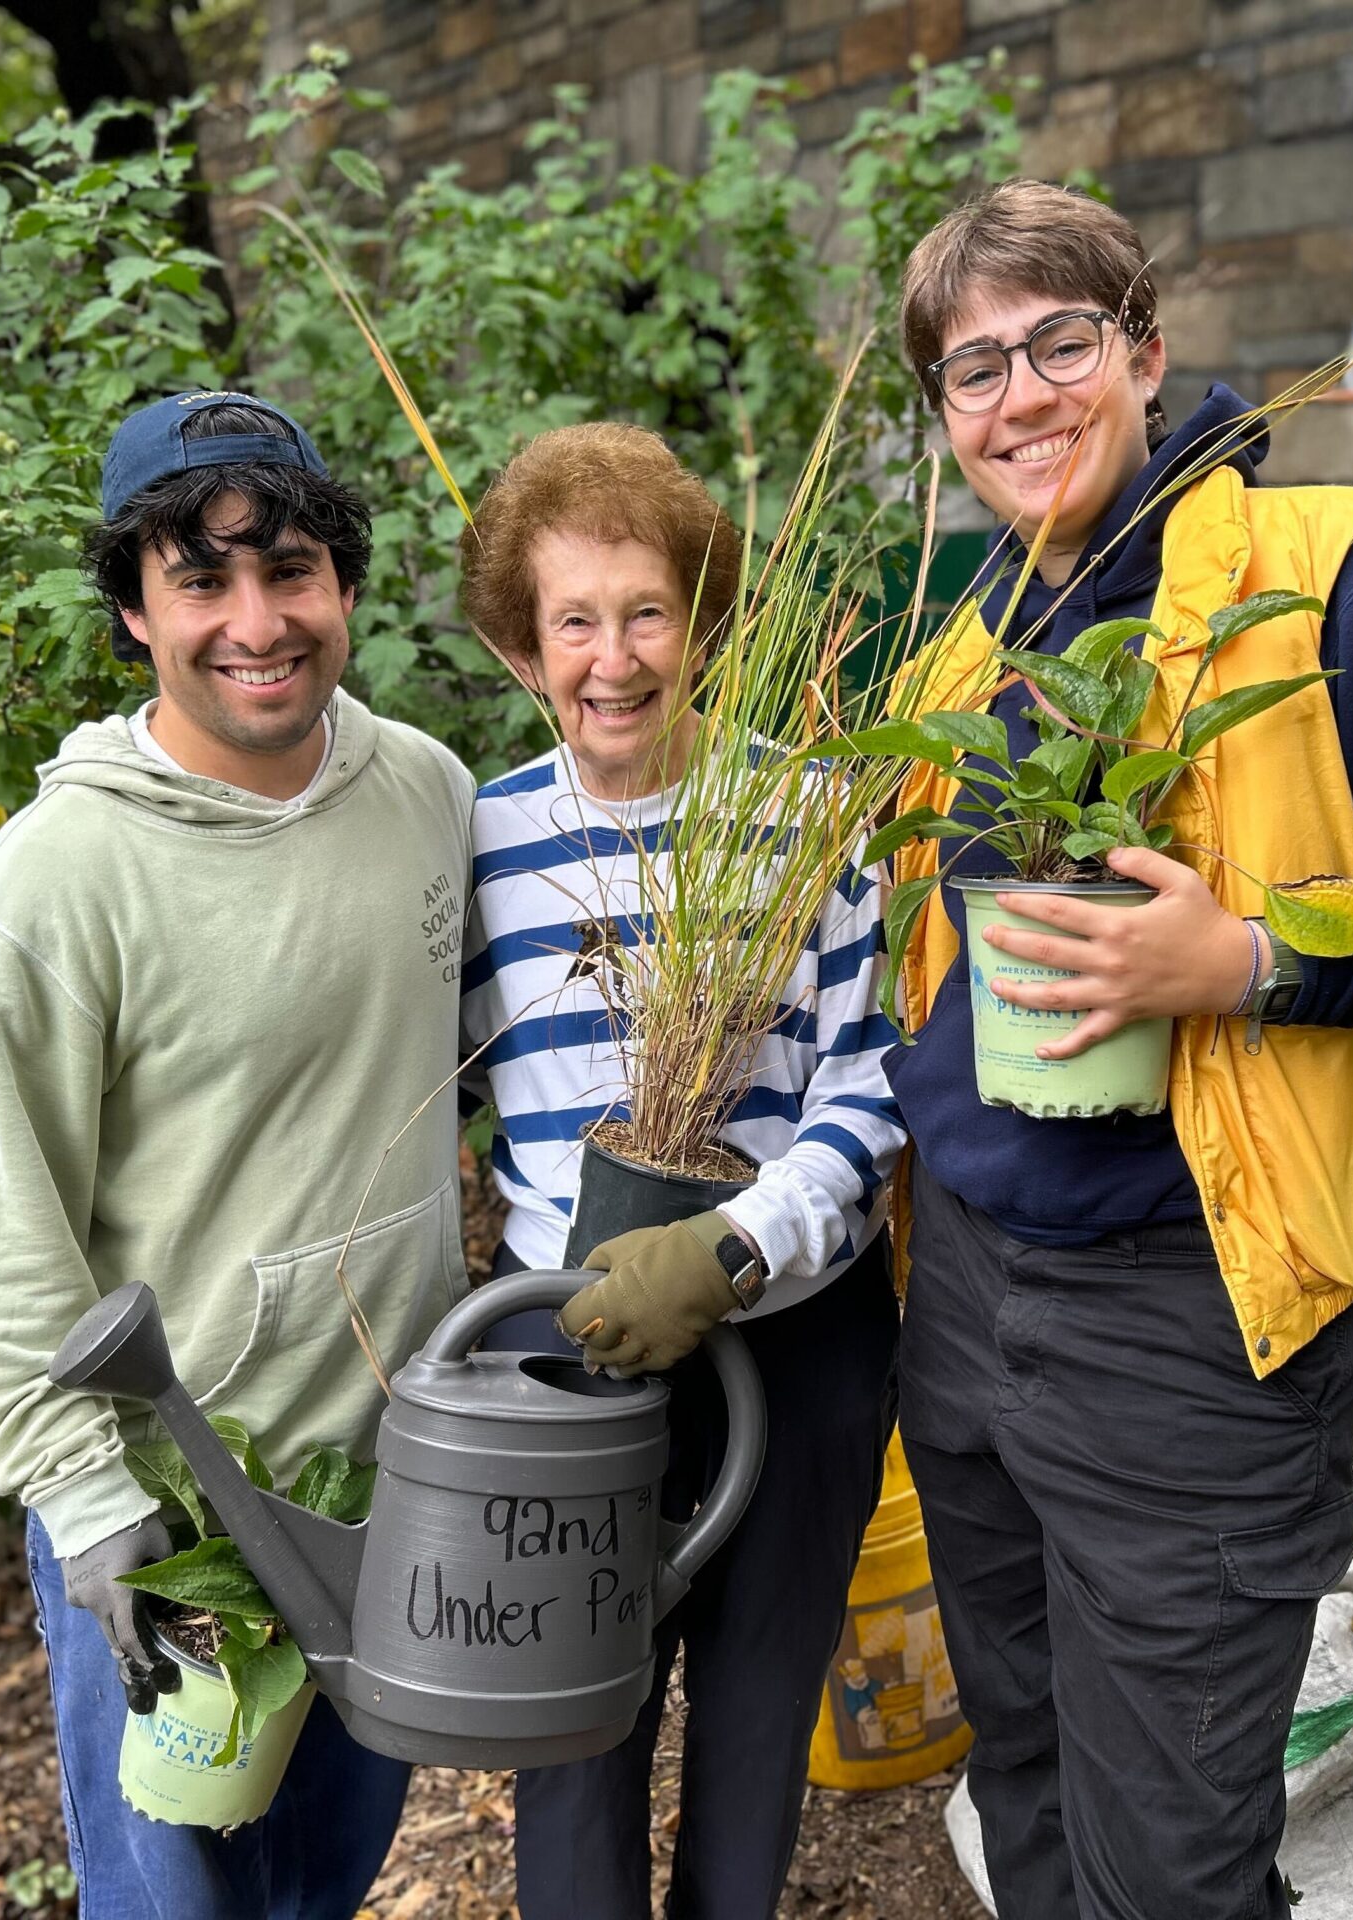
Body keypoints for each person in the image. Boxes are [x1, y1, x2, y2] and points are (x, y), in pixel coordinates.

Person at [881, 182, 1353, 1918]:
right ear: (946, 415)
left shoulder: (1324, 571)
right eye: (974, 370)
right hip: (967, 1294)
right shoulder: (973, 639)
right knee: (1023, 1769)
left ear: (1145, 351)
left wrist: (1245, 957)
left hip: (1192, 1309)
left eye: (1059, 343)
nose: (1020, 396)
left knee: (1174, 1856)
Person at [0, 392, 474, 1920]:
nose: (257, 621)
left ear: (344, 585)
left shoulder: (425, 794)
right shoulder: (57, 884)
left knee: (324, 1884)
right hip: (173, 1526)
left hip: (386, 1491)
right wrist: (85, 1503)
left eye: (290, 570)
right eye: (202, 581)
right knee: (180, 1907)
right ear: (130, 610)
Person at [456, 422, 903, 1920]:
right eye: (572, 620)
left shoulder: (811, 815)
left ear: (703, 620)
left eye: (646, 611)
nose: (614, 657)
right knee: (572, 1734)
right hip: (565, 1358)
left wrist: (739, 1245)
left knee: (760, 1720)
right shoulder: (481, 845)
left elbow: (872, 1074)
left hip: (798, 1346)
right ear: (523, 646)